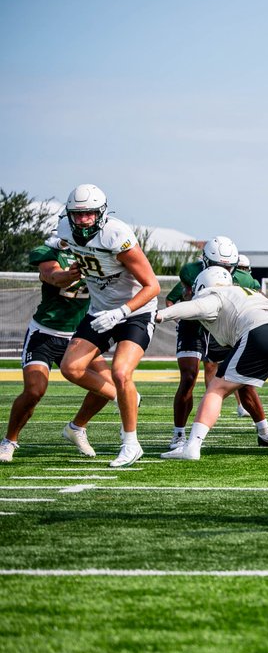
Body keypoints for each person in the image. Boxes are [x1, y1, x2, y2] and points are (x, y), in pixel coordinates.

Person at [157, 267, 268, 459]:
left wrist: (159, 315)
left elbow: (192, 308)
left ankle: (192, 447)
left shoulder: (214, 294)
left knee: (216, 389)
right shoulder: (248, 292)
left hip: (261, 332)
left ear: (202, 284)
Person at [52, 184, 160, 467]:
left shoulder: (115, 234)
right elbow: (66, 246)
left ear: (101, 213)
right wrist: (71, 270)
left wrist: (122, 312)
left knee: (121, 372)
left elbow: (152, 286)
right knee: (70, 368)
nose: (83, 219)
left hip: (135, 310)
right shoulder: (64, 229)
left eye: (89, 214)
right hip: (100, 310)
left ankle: (130, 444)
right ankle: (106, 407)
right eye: (78, 214)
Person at [164, 236, 268, 450]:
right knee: (188, 377)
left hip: (222, 329)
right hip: (193, 326)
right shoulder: (189, 271)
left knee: (241, 378)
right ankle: (178, 434)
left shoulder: (244, 279)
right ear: (204, 261)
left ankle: (264, 431)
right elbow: (186, 298)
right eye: (215, 265)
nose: (222, 270)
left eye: (227, 267)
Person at [0, 243, 111, 462]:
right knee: (34, 391)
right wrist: (77, 270)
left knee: (108, 388)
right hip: (45, 333)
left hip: (79, 336)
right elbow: (54, 277)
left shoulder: (100, 253)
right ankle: (9, 440)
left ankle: (77, 427)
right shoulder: (48, 252)